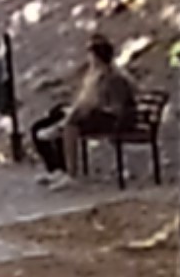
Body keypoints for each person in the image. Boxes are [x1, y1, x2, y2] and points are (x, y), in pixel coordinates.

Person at [29, 35, 138, 179]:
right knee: (51, 117)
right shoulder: (95, 75)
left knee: (71, 124)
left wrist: (82, 109)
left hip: (116, 120)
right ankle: (56, 168)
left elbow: (114, 107)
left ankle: (70, 172)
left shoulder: (112, 77)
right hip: (102, 115)